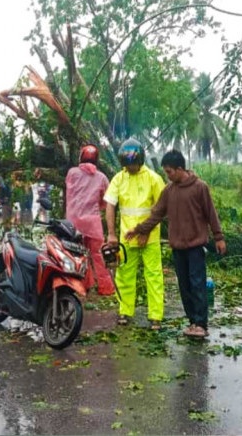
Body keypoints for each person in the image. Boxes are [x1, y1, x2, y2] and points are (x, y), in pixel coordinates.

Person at [125, 150, 226, 339]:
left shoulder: (199, 187)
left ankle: (201, 324)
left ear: (180, 169)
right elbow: (156, 215)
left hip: (195, 247)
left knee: (197, 285)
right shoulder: (169, 191)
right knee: (184, 286)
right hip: (177, 248)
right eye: (166, 172)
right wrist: (139, 229)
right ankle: (192, 322)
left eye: (169, 171)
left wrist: (219, 237)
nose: (167, 175)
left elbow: (211, 213)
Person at [103, 138, 166, 328]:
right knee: (124, 274)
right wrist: (112, 234)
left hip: (151, 236)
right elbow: (110, 206)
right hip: (126, 237)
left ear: (140, 161)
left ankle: (155, 316)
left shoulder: (154, 179)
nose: (130, 168)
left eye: (133, 164)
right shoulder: (118, 179)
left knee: (153, 275)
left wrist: (146, 231)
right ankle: (124, 311)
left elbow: (160, 208)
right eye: (127, 165)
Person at [65, 145, 115, 296]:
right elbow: (106, 202)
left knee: (78, 255)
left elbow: (69, 193)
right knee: (98, 255)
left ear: (81, 157)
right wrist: (96, 206)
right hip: (93, 222)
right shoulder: (102, 178)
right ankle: (106, 288)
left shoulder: (72, 173)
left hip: (73, 222)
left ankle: (83, 285)